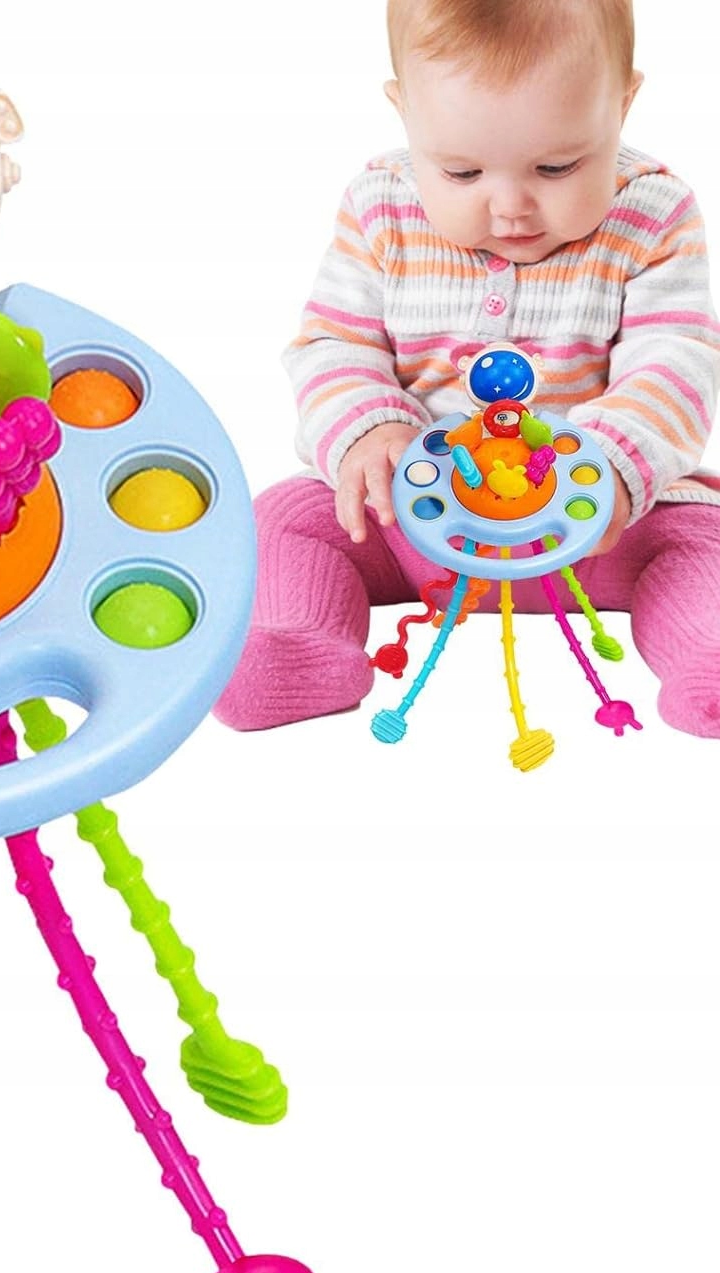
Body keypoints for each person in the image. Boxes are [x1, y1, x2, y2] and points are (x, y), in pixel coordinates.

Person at [215, 0, 720, 737]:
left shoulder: (652, 213)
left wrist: (616, 462)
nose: (510, 206)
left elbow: (675, 360)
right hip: (411, 522)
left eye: (556, 166)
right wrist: (369, 431)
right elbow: (333, 343)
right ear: (405, 113)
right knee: (282, 521)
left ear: (621, 104)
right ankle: (297, 646)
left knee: (700, 539)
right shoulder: (380, 206)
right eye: (461, 171)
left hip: (599, 528)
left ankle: (705, 655)